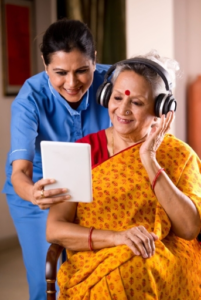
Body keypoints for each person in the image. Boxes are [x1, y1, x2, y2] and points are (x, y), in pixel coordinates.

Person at [46, 50, 201, 300]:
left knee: (136, 268)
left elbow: (189, 229)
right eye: (117, 97)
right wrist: (118, 238)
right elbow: (55, 230)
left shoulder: (179, 155)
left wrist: (149, 159)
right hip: (95, 262)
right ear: (106, 95)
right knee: (124, 273)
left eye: (137, 102)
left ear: (160, 109)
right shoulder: (79, 152)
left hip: (156, 263)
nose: (123, 109)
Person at [2, 19, 111, 300]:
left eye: (82, 71)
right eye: (60, 72)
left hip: (98, 187)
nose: (72, 83)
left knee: (98, 275)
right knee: (47, 282)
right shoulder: (30, 99)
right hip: (42, 189)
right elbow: (20, 172)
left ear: (95, 59)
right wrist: (33, 194)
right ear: (44, 63)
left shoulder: (115, 81)